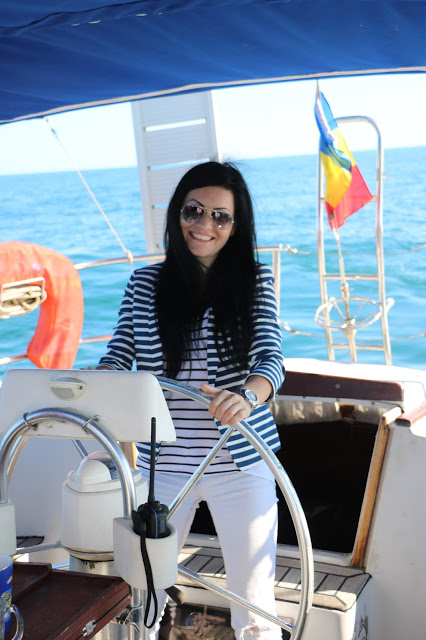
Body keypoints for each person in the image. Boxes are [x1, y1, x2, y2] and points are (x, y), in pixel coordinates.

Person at [97, 161, 285, 640]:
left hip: (240, 461)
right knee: (142, 596)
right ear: (177, 214)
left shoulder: (255, 280)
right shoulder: (144, 285)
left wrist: (246, 396)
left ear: (236, 226)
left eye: (220, 216)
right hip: (164, 465)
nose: (205, 224)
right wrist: (97, 383)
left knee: (255, 609)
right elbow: (119, 354)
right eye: (193, 210)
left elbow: (270, 358)